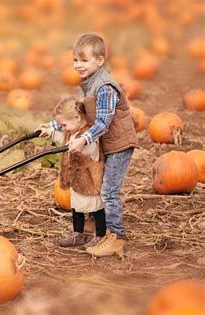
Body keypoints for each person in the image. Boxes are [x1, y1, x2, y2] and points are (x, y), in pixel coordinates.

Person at [37, 33, 139, 257]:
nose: (78, 65)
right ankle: (91, 228)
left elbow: (102, 122)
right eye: (75, 60)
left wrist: (83, 139)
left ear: (100, 61)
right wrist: (54, 126)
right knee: (96, 186)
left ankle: (115, 237)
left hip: (119, 144)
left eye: (84, 60)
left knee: (108, 192)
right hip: (104, 143)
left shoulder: (104, 87)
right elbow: (77, 116)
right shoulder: (89, 84)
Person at [39, 96, 106, 249]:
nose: (63, 128)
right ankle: (78, 234)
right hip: (76, 180)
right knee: (76, 207)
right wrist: (49, 132)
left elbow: (91, 150)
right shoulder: (72, 132)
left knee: (96, 209)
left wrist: (79, 145)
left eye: (64, 124)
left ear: (77, 117)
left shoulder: (89, 134)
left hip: (90, 180)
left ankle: (100, 236)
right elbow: (62, 138)